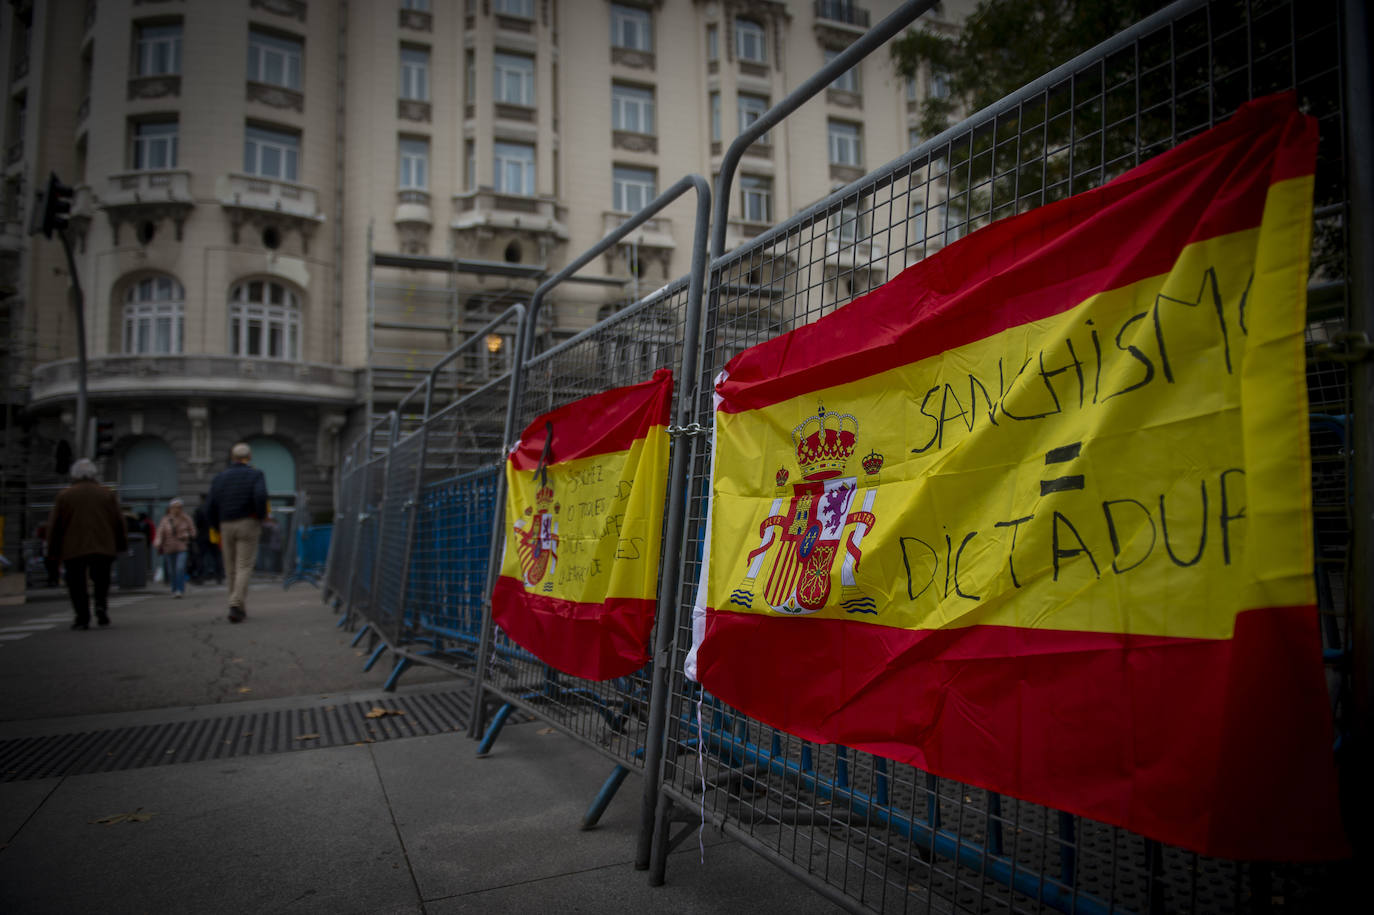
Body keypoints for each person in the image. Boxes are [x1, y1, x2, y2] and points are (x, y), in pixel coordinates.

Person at [45, 458, 128, 630]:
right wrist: (120, 544)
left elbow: (56, 525)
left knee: (76, 582)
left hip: (73, 546)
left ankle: (82, 616)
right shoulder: (106, 494)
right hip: (103, 545)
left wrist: (52, 549)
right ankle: (100, 606)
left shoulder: (65, 495)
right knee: (101, 580)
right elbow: (118, 521)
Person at [207, 442, 267, 623]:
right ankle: (235, 603)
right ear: (249, 458)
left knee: (230, 568)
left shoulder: (220, 478)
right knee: (244, 566)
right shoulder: (256, 475)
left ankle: (238, 609)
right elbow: (260, 496)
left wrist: (215, 526)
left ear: (232, 458)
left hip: (225, 524)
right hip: (247, 522)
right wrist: (260, 516)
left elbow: (210, 504)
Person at [153, 498, 196, 598]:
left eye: (179, 507)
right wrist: (158, 542)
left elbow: (193, 532)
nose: (176, 509)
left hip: (182, 547)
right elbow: (160, 532)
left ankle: (180, 590)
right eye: (174, 507)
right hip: (168, 548)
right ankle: (174, 589)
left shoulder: (186, 518)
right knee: (172, 571)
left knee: (179, 568)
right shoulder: (166, 519)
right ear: (170, 508)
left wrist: (187, 535)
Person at [192, 492, 223, 584]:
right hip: (213, 535)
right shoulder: (214, 509)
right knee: (216, 556)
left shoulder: (199, 510)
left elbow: (197, 524)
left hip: (202, 536)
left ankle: (201, 576)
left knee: (201, 557)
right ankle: (219, 576)